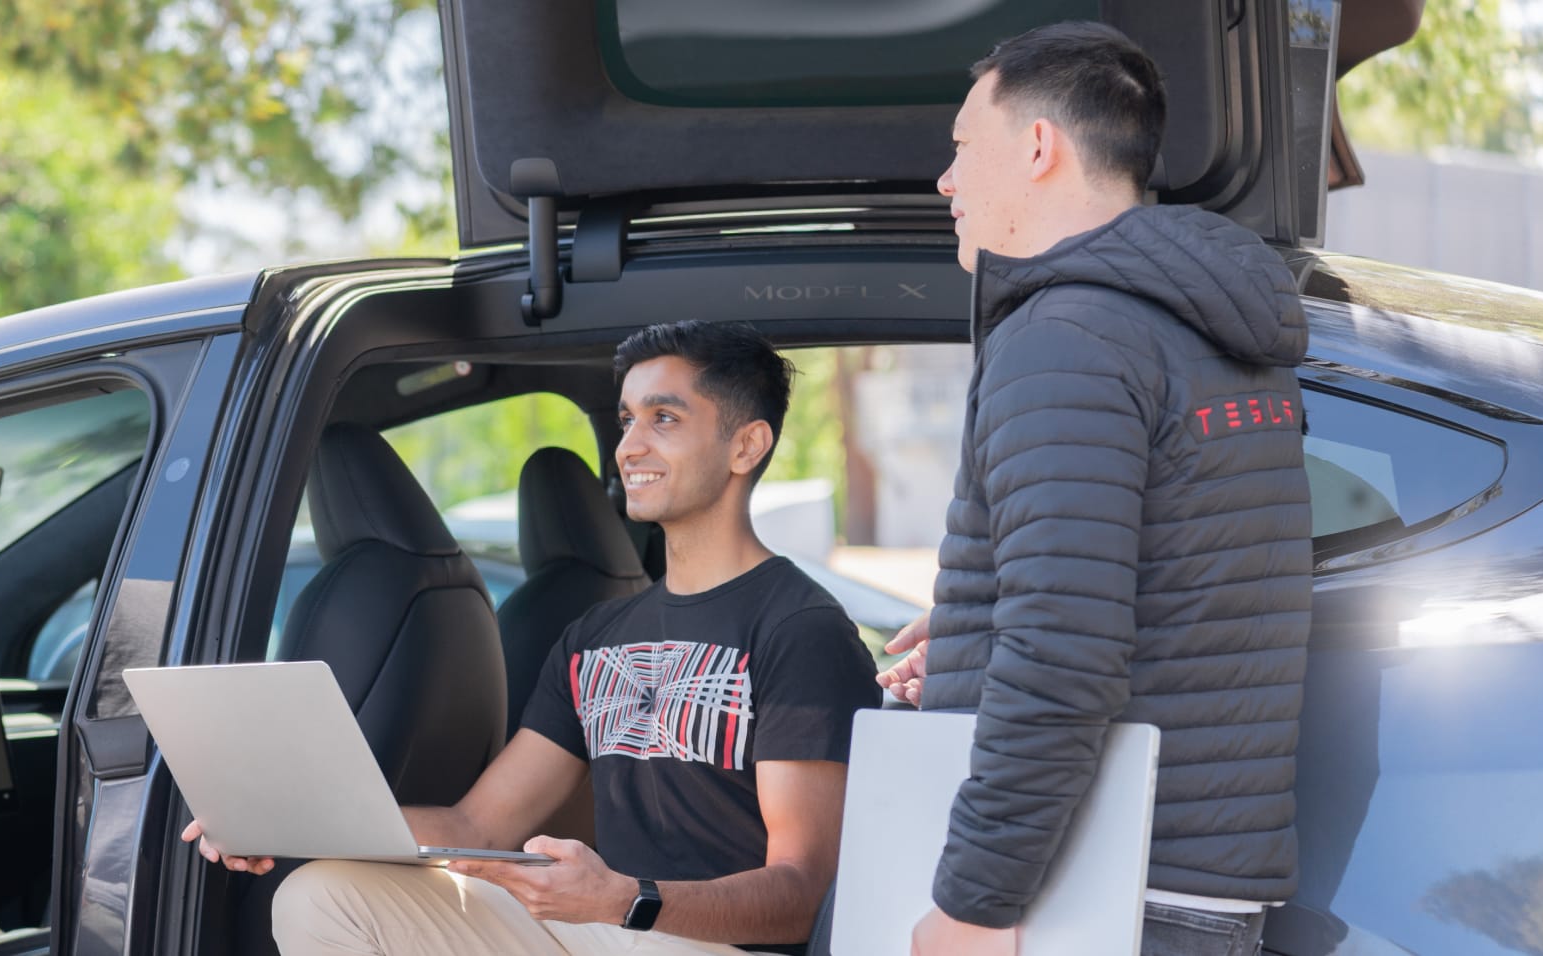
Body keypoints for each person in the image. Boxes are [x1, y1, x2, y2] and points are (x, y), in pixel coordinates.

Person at [186, 321, 879, 955]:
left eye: (664, 419)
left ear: (745, 445)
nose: (629, 446)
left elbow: (800, 894)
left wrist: (627, 899)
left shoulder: (800, 630)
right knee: (322, 894)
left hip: (701, 940)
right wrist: (285, 825)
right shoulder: (596, 635)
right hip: (611, 929)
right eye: (627, 419)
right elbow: (477, 827)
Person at [875, 21, 1313, 956]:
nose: (946, 182)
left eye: (960, 149)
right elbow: (1171, 580)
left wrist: (975, 903)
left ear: (1038, 148)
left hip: (1103, 892)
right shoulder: (1211, 329)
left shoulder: (1064, 337)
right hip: (1200, 884)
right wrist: (973, 634)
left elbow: (1065, 649)